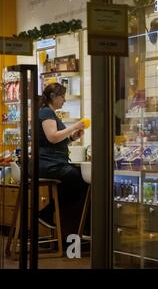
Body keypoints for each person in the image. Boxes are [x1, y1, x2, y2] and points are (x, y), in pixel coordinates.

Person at [38, 83, 87, 237]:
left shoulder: (50, 113)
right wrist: (73, 127)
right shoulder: (46, 112)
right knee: (77, 180)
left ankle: (59, 221)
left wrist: (72, 138)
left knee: (76, 182)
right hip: (49, 163)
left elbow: (56, 140)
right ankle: (48, 214)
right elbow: (52, 138)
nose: (64, 100)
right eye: (62, 97)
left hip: (53, 162)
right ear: (53, 97)